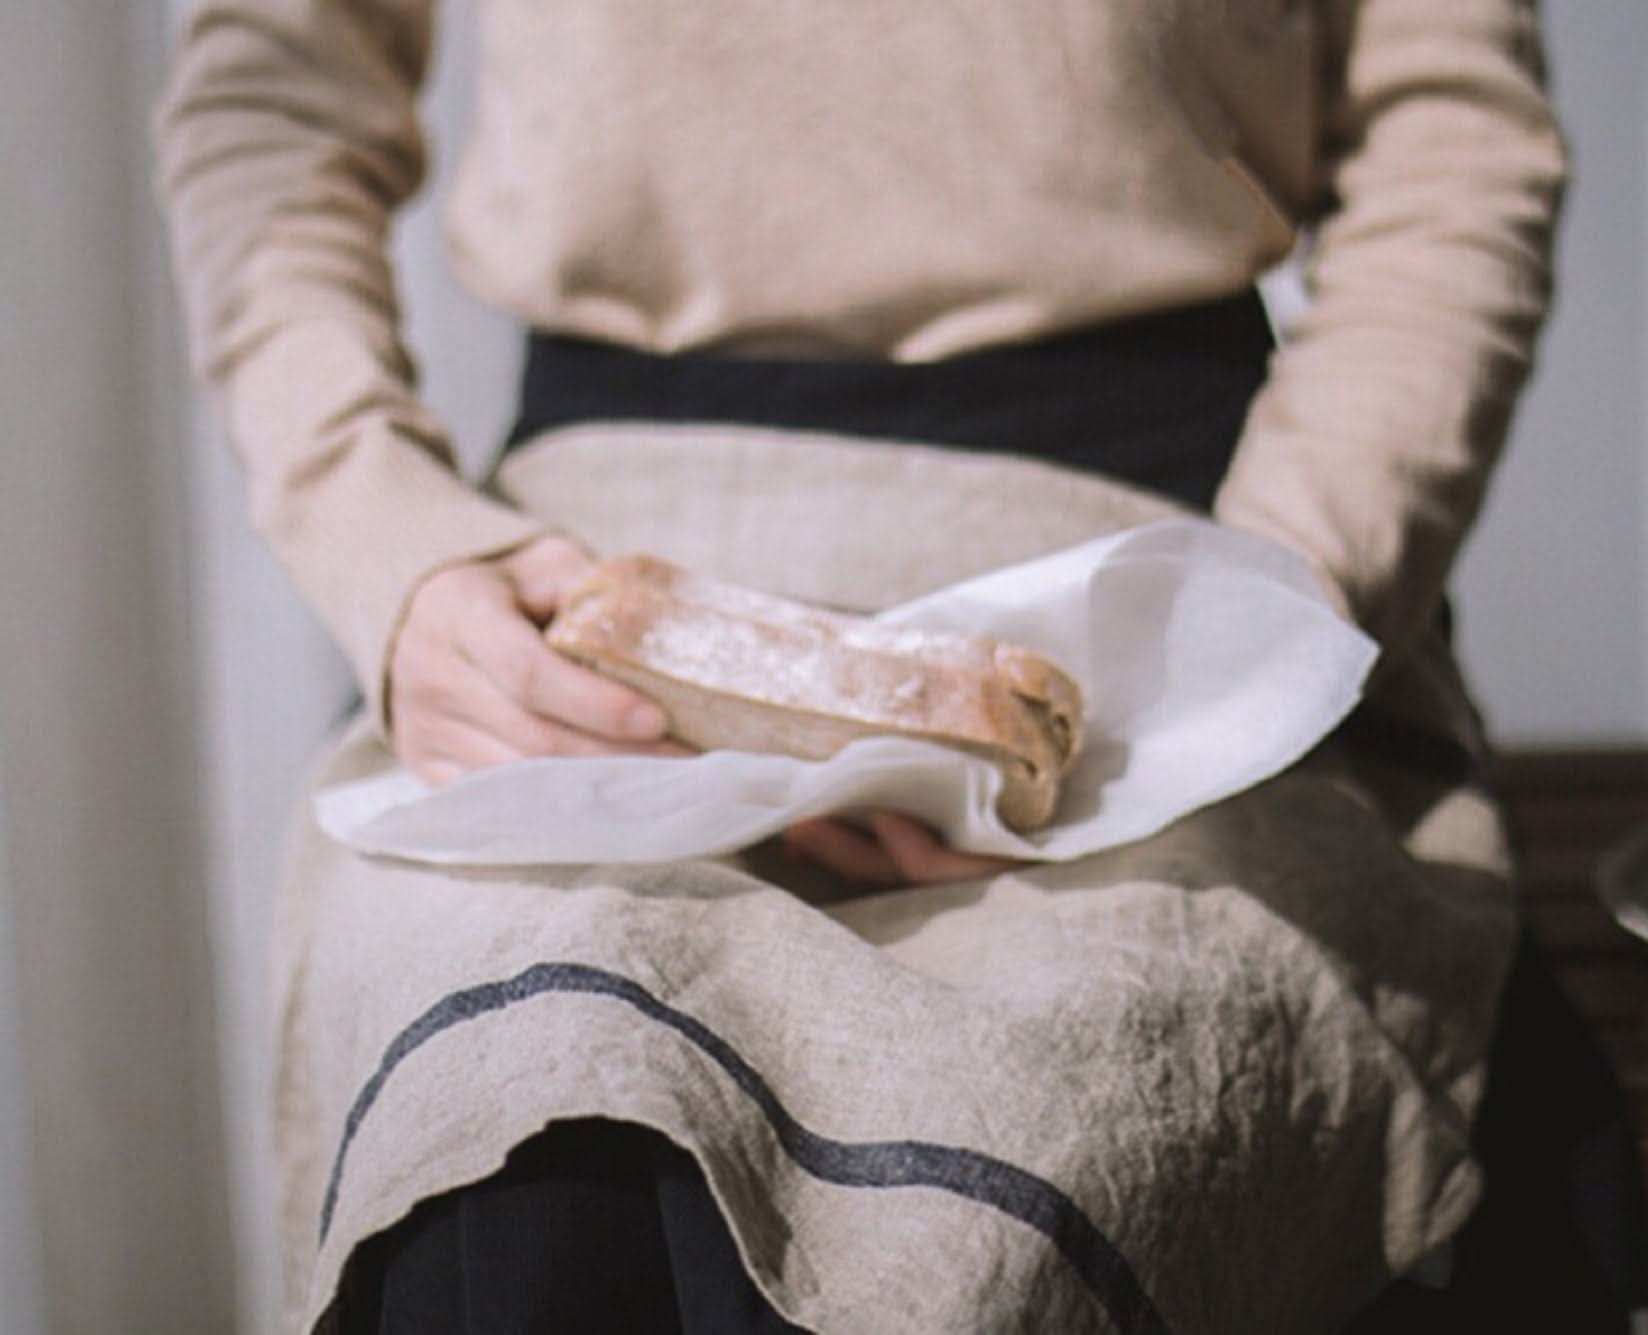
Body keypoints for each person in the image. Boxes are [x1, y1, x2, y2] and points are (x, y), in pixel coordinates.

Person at [156, 1, 1573, 1330]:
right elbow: (275, 94)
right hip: (592, 590)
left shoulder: (1203, 621)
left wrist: (1245, 626)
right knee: (534, 1112)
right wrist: (389, 542)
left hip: (1156, 567)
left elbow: (1448, 146)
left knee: (1104, 1100)